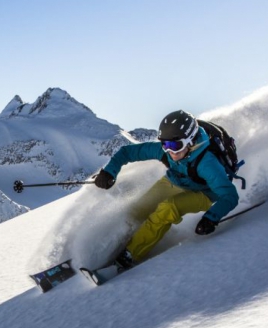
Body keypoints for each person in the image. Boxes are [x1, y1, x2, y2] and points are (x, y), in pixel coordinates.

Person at [93, 110, 239, 269]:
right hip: (175, 181)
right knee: (138, 210)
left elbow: (230, 195)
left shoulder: (207, 164)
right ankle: (113, 246)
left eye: (175, 145)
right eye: (165, 144)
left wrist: (211, 217)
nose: (169, 150)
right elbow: (127, 152)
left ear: (190, 142)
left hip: (204, 192)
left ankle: (129, 255)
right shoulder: (166, 151)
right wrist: (109, 171)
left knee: (168, 208)